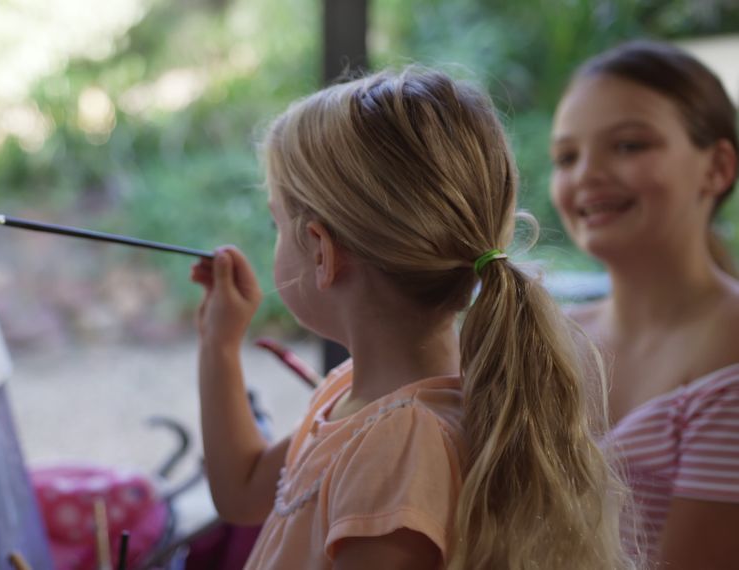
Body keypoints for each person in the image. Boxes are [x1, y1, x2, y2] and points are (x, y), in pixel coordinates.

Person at [190, 67, 633, 570]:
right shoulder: (356, 396)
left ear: (320, 251)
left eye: (277, 224)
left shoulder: (397, 446)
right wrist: (220, 345)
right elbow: (244, 491)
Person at [550, 40, 739, 568]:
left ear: (717, 168)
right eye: (566, 156)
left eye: (629, 146)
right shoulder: (551, 340)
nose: (587, 173)